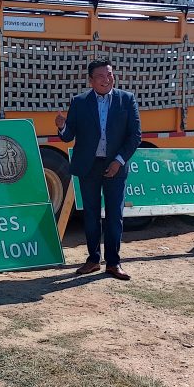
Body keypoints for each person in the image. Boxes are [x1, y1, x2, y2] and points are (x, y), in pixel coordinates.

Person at [55, 59, 141, 280]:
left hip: (116, 166)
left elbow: (135, 136)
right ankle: (93, 260)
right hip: (89, 166)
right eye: (101, 76)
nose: (107, 79)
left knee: (114, 216)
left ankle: (113, 263)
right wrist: (62, 126)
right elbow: (68, 136)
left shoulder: (126, 100)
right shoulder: (79, 102)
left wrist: (118, 161)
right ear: (91, 80)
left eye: (110, 75)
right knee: (91, 215)